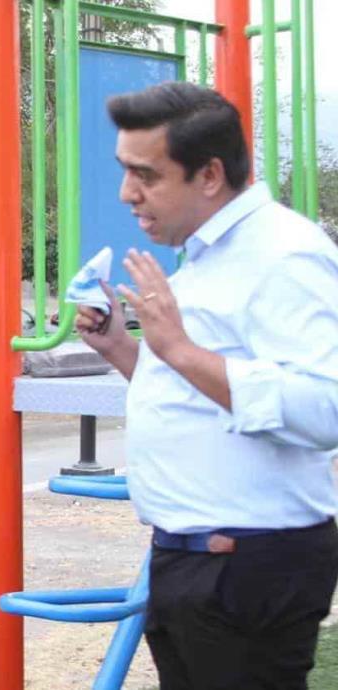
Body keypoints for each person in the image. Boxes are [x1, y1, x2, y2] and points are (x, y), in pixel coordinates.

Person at [75, 82, 338, 688]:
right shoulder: (206, 258)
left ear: (210, 175)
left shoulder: (283, 255)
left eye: (146, 174)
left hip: (244, 571)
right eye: (124, 170)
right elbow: (194, 398)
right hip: (195, 561)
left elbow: (325, 409)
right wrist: (123, 348)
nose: (126, 193)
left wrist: (181, 350)